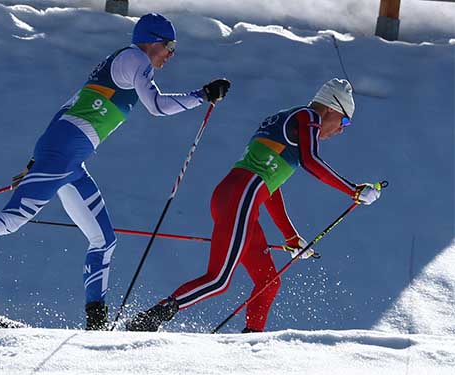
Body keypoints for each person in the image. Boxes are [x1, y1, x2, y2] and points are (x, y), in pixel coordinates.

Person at [0, 13, 230, 330]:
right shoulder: (136, 59)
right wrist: (201, 95)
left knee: (104, 240)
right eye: (169, 47)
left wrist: (37, 161)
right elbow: (157, 107)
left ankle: (96, 322)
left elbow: (68, 107)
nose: (170, 55)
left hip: (67, 157)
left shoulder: (123, 62)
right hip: (64, 154)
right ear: (152, 42)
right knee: (14, 219)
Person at [126, 78, 384, 333]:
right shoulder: (308, 117)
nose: (341, 129)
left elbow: (270, 188)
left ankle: (251, 343)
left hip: (238, 196)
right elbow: (310, 160)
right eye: (344, 121)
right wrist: (354, 190)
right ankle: (149, 319)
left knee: (268, 281)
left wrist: (291, 237)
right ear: (330, 108)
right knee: (219, 279)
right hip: (242, 196)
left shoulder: (287, 118)